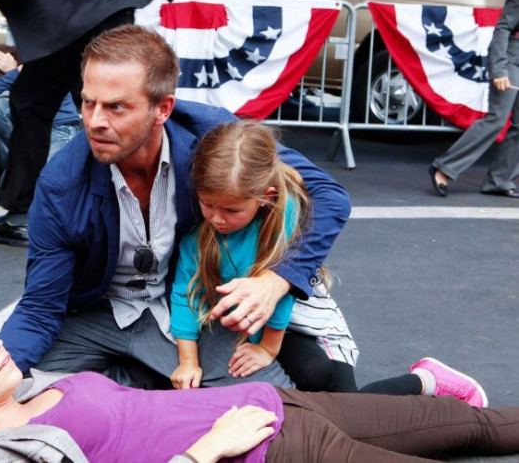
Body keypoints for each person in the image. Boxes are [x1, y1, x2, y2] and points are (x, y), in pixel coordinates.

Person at [0, 24, 351, 390]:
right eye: (88, 102)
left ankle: (133, 383)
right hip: (95, 315)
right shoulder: (60, 184)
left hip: (183, 310)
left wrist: (277, 279)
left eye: (116, 107)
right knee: (12, 392)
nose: (95, 122)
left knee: (274, 402)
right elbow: (40, 308)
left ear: (163, 108)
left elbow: (329, 196)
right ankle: (132, 383)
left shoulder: (212, 137)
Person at [0, 288, 519, 462]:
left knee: (472, 423)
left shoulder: (32, 386)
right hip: (273, 450)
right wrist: (207, 451)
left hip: (276, 403)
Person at [169, 120, 487, 408]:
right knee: (323, 390)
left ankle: (425, 380)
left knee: (341, 400)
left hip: (305, 318)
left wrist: (266, 349)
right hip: (262, 322)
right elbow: (185, 294)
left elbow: (280, 294)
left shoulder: (283, 219)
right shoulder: (197, 239)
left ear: (265, 197)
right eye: (207, 204)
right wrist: (188, 361)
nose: (217, 218)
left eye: (231, 210)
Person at [0, 0, 194, 245]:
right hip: (92, 2)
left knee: (107, 103)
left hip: (81, 5)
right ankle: (24, 212)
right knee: (43, 101)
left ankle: (161, 198)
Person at [429, 0, 519, 198]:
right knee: (496, 119)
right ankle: (445, 167)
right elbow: (504, 27)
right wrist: (499, 68)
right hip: (512, 58)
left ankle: (499, 180)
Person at [0, 44, 81, 178]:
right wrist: (15, 73)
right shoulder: (10, 75)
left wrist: (18, 73)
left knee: (46, 175)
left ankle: (18, 172)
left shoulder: (40, 61)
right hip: (27, 136)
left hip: (58, 130)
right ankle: (14, 170)